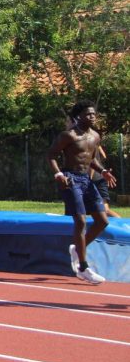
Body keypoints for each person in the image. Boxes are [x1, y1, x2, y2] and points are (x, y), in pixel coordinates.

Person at [48, 100, 111, 284]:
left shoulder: (96, 136)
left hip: (87, 180)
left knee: (102, 221)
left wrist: (103, 171)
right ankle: (83, 267)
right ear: (78, 117)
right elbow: (51, 154)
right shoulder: (68, 135)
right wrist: (58, 173)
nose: (92, 117)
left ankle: (76, 249)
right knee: (81, 220)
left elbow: (91, 159)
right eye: (88, 114)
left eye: (93, 114)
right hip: (70, 179)